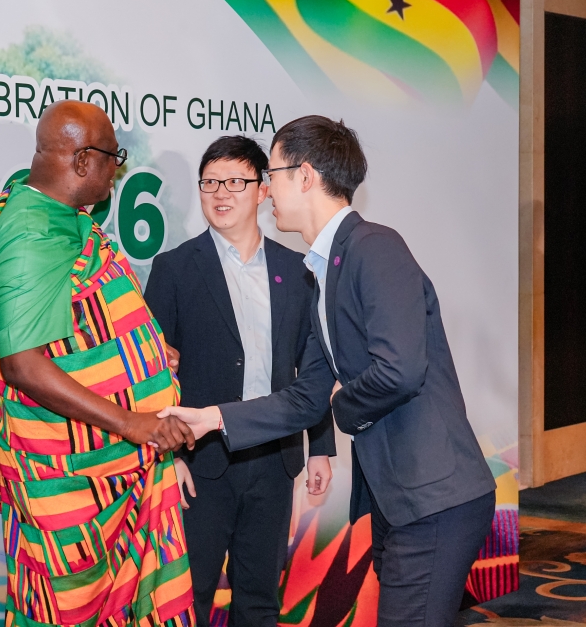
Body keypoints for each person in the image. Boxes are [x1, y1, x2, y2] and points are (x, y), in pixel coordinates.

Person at [160, 116, 497, 626]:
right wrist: (215, 419)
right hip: (398, 498)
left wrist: (341, 405)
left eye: (272, 174)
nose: (267, 189)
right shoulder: (323, 271)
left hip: (432, 494)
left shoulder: (374, 248)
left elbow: (400, 369)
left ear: (305, 176)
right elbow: (306, 395)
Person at [0, 100, 196, 626]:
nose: (117, 169)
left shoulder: (62, 215)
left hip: (113, 466)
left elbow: (75, 320)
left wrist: (141, 347)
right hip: (69, 479)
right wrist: (133, 423)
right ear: (82, 160)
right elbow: (23, 365)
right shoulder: (30, 233)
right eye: (114, 157)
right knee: (67, 610)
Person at [144, 135, 335, 626]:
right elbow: (151, 373)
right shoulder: (174, 268)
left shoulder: (298, 270)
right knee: (190, 597)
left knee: (259, 598)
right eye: (210, 183)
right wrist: (170, 457)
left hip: (274, 459)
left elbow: (312, 367)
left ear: (262, 191)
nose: (220, 194)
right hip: (199, 463)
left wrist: (320, 448)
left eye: (234, 182)